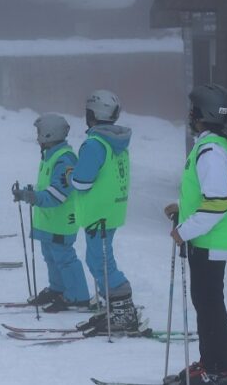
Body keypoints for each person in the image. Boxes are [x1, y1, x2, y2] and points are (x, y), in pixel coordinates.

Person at [165, 84, 227, 385]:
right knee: (208, 304)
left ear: (201, 115)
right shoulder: (218, 145)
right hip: (210, 240)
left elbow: (217, 202)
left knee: (209, 306)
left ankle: (221, 369)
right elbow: (210, 195)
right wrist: (182, 207)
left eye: (192, 110)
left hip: (208, 241)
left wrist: (183, 231)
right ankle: (213, 362)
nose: (189, 115)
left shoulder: (210, 150)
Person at [72, 90, 137, 333]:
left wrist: (71, 175)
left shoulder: (94, 144)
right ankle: (114, 307)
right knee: (99, 258)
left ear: (92, 114)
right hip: (110, 210)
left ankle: (123, 311)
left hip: (98, 212)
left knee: (100, 261)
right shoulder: (117, 141)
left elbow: (81, 182)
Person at [12, 113, 89, 312]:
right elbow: (47, 187)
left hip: (61, 219)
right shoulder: (50, 155)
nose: (37, 136)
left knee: (64, 257)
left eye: (39, 132)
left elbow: (58, 193)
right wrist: (30, 193)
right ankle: (58, 289)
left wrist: (33, 197)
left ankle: (77, 296)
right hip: (49, 220)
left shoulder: (65, 159)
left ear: (49, 134)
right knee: (50, 255)